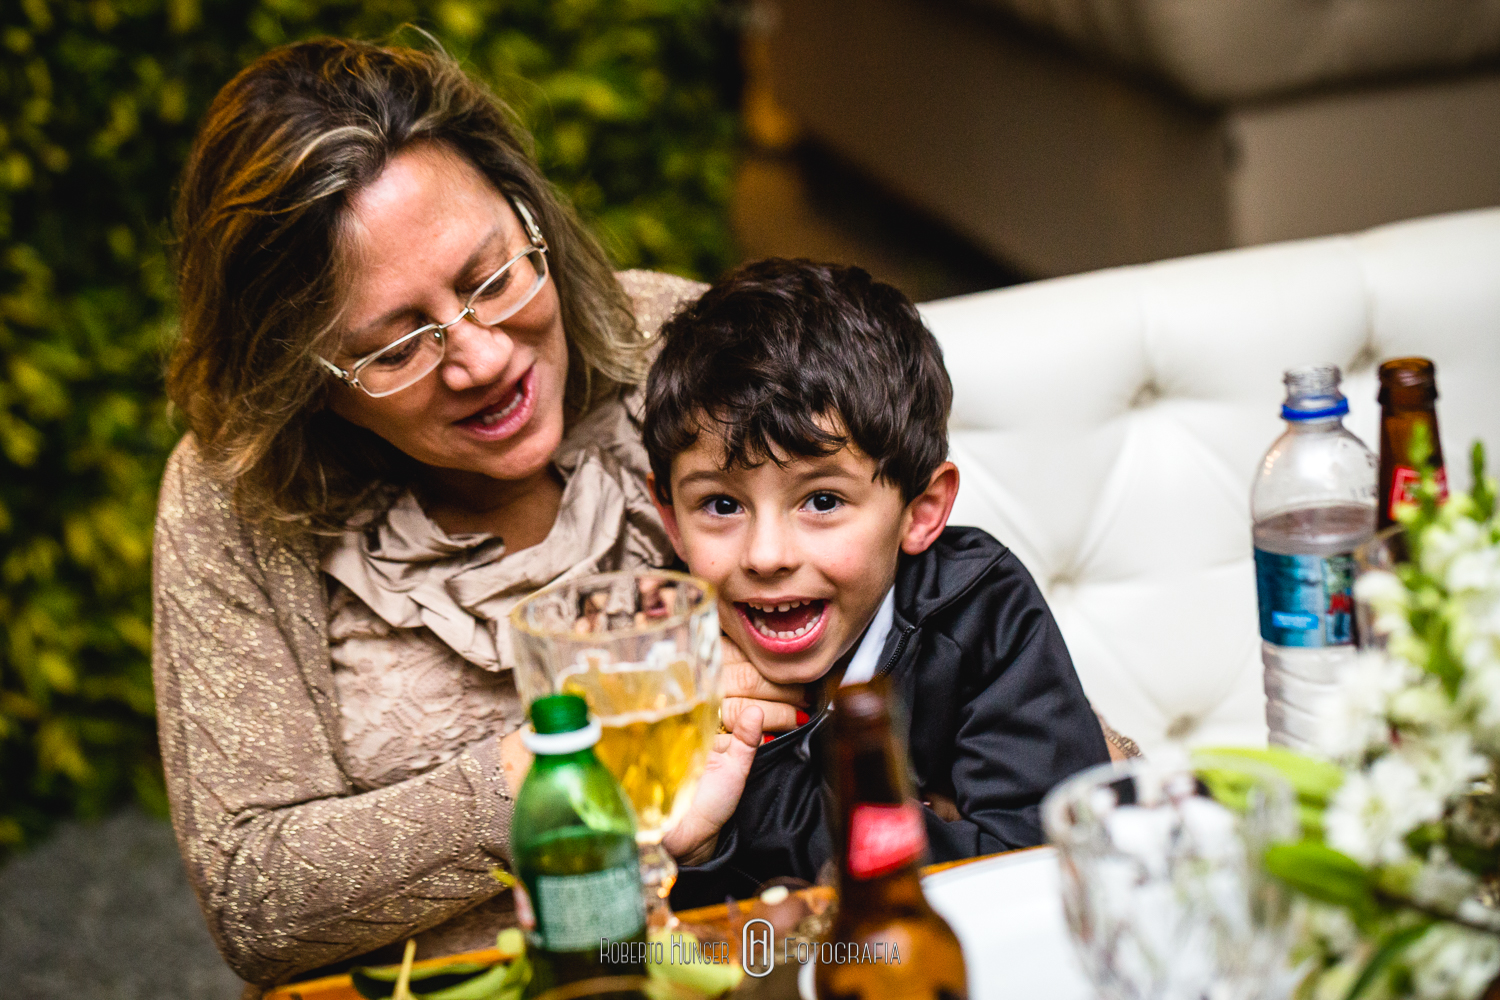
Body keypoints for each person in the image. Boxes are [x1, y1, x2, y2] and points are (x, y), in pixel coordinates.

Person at [151, 38, 797, 990]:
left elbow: (925, 619)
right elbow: (254, 896)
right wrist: (558, 769)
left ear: (532, 219)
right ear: (308, 380)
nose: (484, 360)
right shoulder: (233, 501)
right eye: (398, 343)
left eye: (493, 277)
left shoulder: (679, 348)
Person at [640, 259, 1120, 908]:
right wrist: (697, 849)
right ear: (669, 514)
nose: (767, 555)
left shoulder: (981, 608)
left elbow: (1047, 867)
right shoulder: (655, 662)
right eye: (721, 506)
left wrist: (767, 807)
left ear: (921, 512)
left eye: (822, 501)